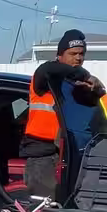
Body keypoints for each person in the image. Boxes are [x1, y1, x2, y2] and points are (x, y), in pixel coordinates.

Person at [21, 29, 105, 200]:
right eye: (73, 53)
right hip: (43, 157)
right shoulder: (44, 77)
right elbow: (49, 68)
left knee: (66, 209)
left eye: (81, 54)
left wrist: (97, 88)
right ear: (60, 55)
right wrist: (86, 75)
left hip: (71, 157)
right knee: (45, 210)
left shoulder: (82, 86)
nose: (78, 58)